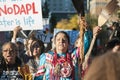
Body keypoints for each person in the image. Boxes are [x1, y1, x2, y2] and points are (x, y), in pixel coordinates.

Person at [34, 24, 101, 80]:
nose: (61, 41)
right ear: (54, 42)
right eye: (58, 39)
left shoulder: (74, 56)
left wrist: (88, 31)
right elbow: (38, 77)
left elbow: (85, 45)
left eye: (64, 39)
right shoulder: (46, 57)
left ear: (68, 43)